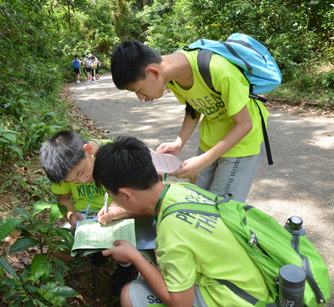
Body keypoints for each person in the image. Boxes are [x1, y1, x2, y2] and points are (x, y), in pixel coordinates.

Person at [93, 136, 273, 307]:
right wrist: (124, 213)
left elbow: (180, 304)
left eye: (112, 195)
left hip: (239, 300)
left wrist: (134, 256)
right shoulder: (182, 189)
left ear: (125, 194)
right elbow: (159, 209)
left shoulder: (171, 234)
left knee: (131, 294)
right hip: (256, 283)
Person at [110, 40, 269, 203]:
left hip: (242, 143)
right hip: (211, 139)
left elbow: (244, 124)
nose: (141, 97)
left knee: (221, 208)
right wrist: (179, 142)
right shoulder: (172, 76)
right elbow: (193, 105)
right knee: (199, 200)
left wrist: (205, 160)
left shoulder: (217, 69)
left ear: (153, 72)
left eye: (138, 90)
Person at [38, 130, 139, 300]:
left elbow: (137, 195)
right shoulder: (65, 170)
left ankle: (126, 268)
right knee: (60, 248)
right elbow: (64, 198)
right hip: (86, 218)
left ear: (88, 150)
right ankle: (95, 253)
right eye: (74, 182)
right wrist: (71, 215)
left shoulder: (116, 153)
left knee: (121, 245)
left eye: (81, 173)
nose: (83, 180)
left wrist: (119, 210)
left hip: (120, 214)